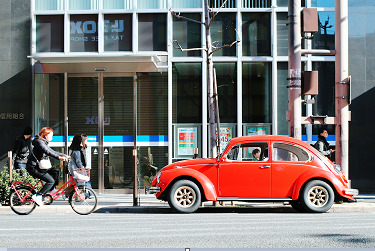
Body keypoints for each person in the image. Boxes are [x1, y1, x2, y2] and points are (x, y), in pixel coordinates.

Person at [26, 127, 69, 206]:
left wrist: (64, 155)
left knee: (56, 171)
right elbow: (47, 151)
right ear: (46, 135)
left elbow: (52, 151)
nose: (52, 137)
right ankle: (38, 195)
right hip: (34, 167)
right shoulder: (40, 142)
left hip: (40, 166)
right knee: (50, 181)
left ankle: (52, 189)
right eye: (51, 135)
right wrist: (59, 157)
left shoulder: (44, 142)